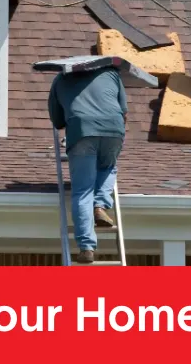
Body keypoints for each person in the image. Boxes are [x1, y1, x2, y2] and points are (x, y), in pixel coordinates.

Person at [47, 67, 129, 264]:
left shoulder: (61, 78)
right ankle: (100, 205)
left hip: (81, 130)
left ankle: (86, 247)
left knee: (83, 191)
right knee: (107, 167)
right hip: (113, 127)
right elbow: (124, 111)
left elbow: (57, 121)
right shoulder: (110, 74)